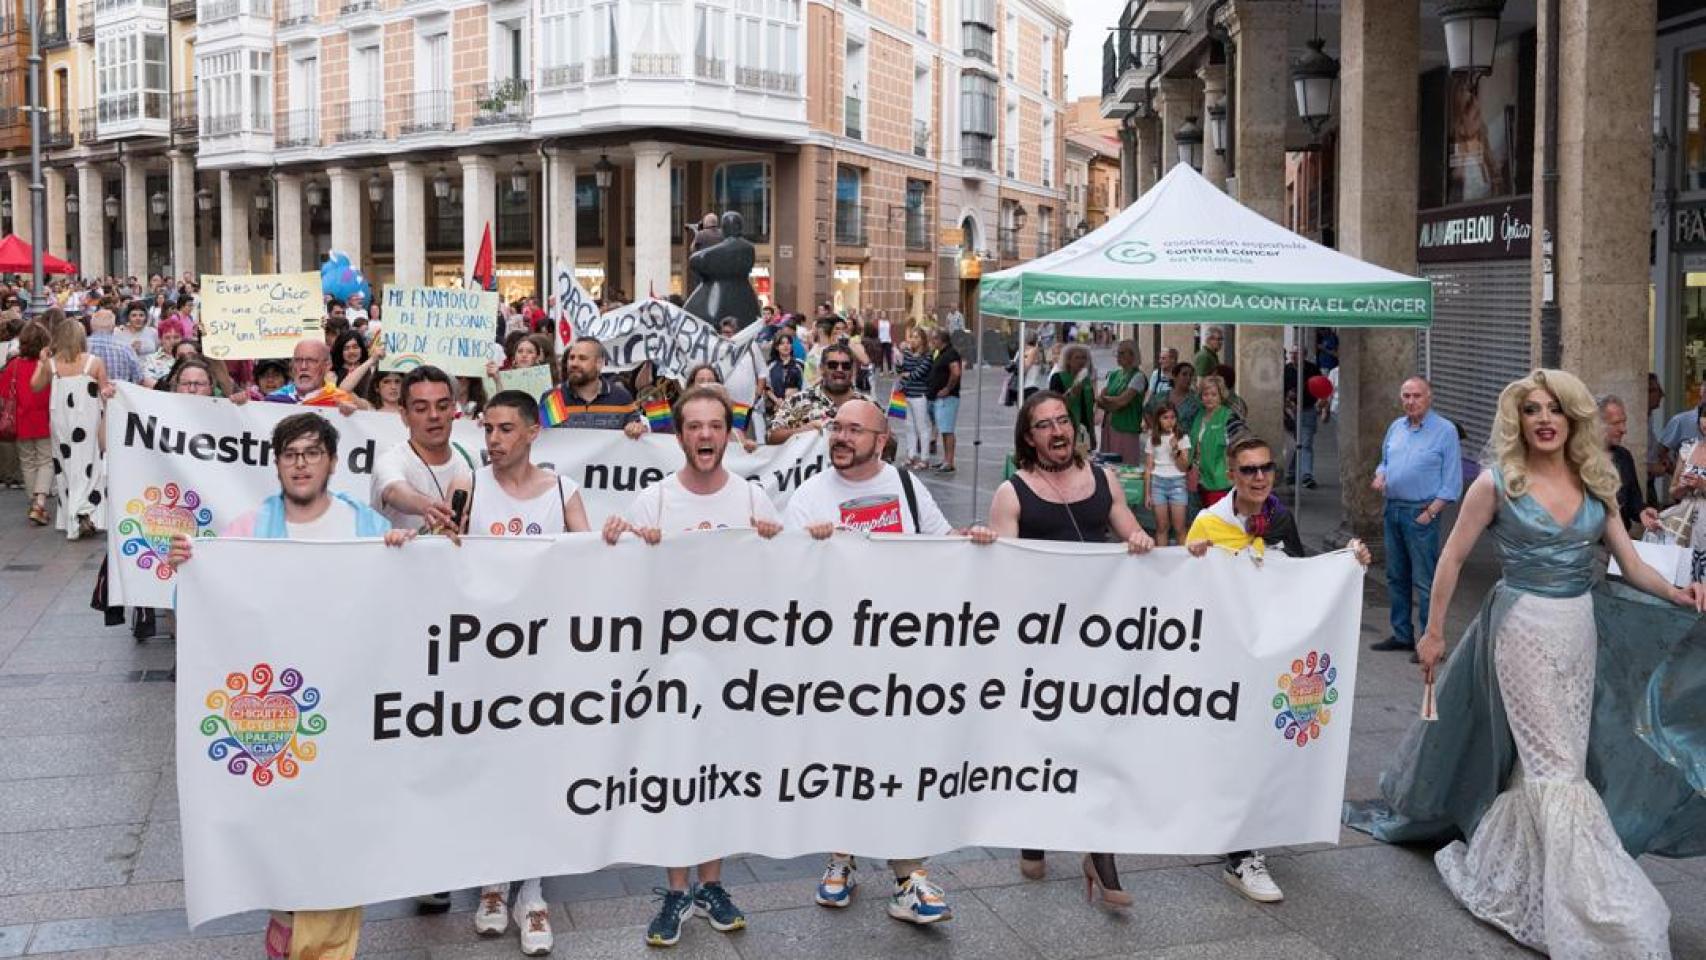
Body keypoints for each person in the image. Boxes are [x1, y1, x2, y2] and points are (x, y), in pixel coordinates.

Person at [1416, 370, 1700, 959]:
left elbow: (1630, 562)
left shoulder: (1597, 482)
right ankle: (1596, 908)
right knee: (1557, 771)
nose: (1544, 419)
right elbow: (1451, 557)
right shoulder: (1496, 484)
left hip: (1579, 630)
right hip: (1521, 630)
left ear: (1573, 419)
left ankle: (1512, 874)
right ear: (1517, 421)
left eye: (1556, 410)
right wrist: (1434, 631)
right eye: (1532, 410)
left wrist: (1678, 594)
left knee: (1553, 762)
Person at [167, 412, 412, 960]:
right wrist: (189, 568)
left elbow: (406, 608)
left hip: (349, 723)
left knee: (336, 858)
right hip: (283, 725)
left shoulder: (366, 526)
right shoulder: (247, 530)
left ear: (331, 462)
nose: (300, 464)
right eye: (290, 454)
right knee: (288, 858)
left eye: (311, 452)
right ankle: (291, 934)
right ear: (276, 464)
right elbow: (202, 616)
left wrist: (404, 556)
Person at [601, 385, 778, 947]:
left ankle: (711, 885)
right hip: (671, 670)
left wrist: (781, 543)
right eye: (694, 426)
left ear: (728, 434)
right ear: (679, 436)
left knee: (718, 776)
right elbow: (620, 574)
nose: (705, 435)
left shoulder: (753, 498)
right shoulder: (655, 499)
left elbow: (790, 577)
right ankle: (677, 890)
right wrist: (620, 538)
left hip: (732, 668)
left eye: (715, 426)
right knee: (676, 775)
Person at [785, 397, 959, 924]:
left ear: (880, 440)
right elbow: (783, 581)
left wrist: (977, 547)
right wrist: (806, 552)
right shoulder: (809, 496)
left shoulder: (907, 486)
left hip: (902, 656)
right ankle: (840, 858)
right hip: (837, 661)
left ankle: (910, 878)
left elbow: (944, 546)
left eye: (853, 430)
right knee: (844, 762)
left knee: (899, 766)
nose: (840, 436)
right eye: (836, 427)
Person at [1184, 435, 1372, 905]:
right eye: (1248, 470)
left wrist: (1348, 565)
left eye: (1267, 468)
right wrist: (1193, 563)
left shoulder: (1281, 518)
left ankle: (1244, 836)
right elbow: (1186, 597)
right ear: (1231, 475)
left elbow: (1301, 576)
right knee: (1233, 746)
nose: (1260, 477)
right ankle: (1242, 854)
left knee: (1262, 745)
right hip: (1226, 657)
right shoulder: (1208, 525)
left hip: (1272, 655)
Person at [986, 390, 1154, 904]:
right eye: (1044, 425)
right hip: (1040, 645)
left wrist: (1144, 543)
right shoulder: (1012, 494)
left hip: (1100, 638)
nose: (1057, 432)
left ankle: (1099, 854)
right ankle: (1034, 832)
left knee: (1098, 742)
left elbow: (1131, 532)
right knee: (1041, 742)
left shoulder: (1103, 479)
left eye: (1063, 421)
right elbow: (1003, 575)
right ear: (1028, 437)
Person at [448, 390, 586, 956]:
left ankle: (531, 890)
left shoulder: (563, 491)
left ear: (533, 432)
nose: (495, 440)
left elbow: (591, 561)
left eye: (506, 429)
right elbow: (442, 554)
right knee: (489, 766)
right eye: (488, 430)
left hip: (544, 656)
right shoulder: (470, 488)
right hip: (484, 655)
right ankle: (491, 884)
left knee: (537, 770)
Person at [1370, 377, 1463, 659]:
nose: (1411, 401)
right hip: (1393, 508)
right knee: (1396, 575)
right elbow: (1385, 460)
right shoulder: (1396, 427)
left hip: (1421, 511)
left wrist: (1431, 512)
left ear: (1429, 397)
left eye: (1416, 396)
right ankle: (1401, 634)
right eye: (1406, 396)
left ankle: (1429, 639)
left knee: (1425, 579)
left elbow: (1452, 481)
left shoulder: (1445, 431)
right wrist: (1380, 474)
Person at [372, 365, 479, 533]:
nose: (434, 415)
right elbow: (394, 490)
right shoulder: (390, 460)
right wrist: (427, 506)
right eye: (421, 409)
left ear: (453, 410)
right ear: (404, 415)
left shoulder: (470, 457)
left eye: (442, 406)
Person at [33, 317, 109, 540]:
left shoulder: (52, 364)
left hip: (61, 422)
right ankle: (85, 512)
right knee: (90, 464)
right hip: (88, 420)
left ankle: (73, 515)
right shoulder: (94, 362)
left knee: (65, 466)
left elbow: (35, 386)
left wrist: (41, 361)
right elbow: (105, 392)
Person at [0, 322, 53, 525]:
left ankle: (34, 503)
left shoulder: (14, 365)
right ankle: (39, 502)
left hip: (21, 420)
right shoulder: (49, 365)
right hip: (45, 419)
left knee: (28, 462)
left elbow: (4, 393)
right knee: (46, 460)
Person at [767, 343, 870, 444]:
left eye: (845, 366)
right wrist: (802, 431)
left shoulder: (867, 405)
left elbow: (883, 440)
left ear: (852, 370)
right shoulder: (798, 401)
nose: (839, 369)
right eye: (832, 365)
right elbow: (771, 436)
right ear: (822, 368)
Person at [539, 337, 645, 435]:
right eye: (571, 358)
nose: (574, 363)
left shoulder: (621, 398)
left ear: (599, 363)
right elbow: (543, 439)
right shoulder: (553, 398)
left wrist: (637, 429)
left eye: (582, 358)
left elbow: (638, 433)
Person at [1598, 393, 1658, 534]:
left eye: (1624, 422)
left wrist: (1642, 512)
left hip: (1620, 543)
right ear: (1596, 423)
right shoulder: (1578, 459)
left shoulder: (1623, 456)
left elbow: (1633, 501)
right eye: (1616, 423)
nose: (1624, 429)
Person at [1189, 374, 1242, 508]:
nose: (1209, 398)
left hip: (1221, 481)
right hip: (1200, 479)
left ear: (1221, 396)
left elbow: (1240, 444)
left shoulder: (1228, 417)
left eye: (1214, 394)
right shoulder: (1199, 415)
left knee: (1218, 520)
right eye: (1206, 394)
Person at [267, 339, 368, 410]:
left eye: (311, 361)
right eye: (298, 360)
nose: (303, 366)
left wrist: (350, 418)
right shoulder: (274, 400)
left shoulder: (339, 400)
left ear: (327, 365)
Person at [1144, 402, 1192, 547]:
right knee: (1162, 527)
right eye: (1165, 417)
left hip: (1177, 483)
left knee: (1179, 527)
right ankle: (1162, 561)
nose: (1169, 421)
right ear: (1158, 419)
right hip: (1158, 484)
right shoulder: (1153, 438)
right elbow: (1148, 467)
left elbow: (1184, 468)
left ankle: (1183, 561)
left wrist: (1176, 449)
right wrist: (1147, 494)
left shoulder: (1182, 437)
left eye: (1172, 417)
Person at [1095, 340, 1145, 465]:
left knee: (1125, 462)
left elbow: (1121, 402)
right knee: (1108, 463)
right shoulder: (1113, 374)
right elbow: (1100, 400)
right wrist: (1112, 402)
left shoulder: (1138, 376)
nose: (1118, 356)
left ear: (1133, 355)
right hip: (1109, 425)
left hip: (1127, 426)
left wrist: (1109, 401)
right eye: (1117, 353)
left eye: (1122, 353)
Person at [1282, 345, 1324, 488]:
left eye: (1297, 353)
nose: (1293, 356)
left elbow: (1321, 388)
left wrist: (1322, 404)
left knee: (1305, 443)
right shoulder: (1286, 370)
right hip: (1289, 412)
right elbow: (1279, 391)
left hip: (1307, 409)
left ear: (1304, 355)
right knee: (1293, 443)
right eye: (1292, 353)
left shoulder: (1312, 369)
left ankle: (1307, 474)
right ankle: (1291, 472)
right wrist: (1287, 400)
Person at [895, 326, 934, 469]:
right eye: (912, 336)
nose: (913, 340)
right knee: (909, 426)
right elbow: (900, 370)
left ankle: (924, 458)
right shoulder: (907, 352)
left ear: (923, 340)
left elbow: (920, 372)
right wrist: (898, 361)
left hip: (920, 395)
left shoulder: (927, 355)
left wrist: (907, 374)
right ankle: (911, 454)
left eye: (917, 337)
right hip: (907, 393)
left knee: (922, 427)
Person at [1047, 343, 1096, 450]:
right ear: (1068, 360)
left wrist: (1092, 434)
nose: (1081, 361)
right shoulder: (1058, 378)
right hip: (1065, 428)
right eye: (1077, 357)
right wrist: (1071, 394)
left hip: (1084, 431)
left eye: (1084, 358)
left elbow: (1089, 409)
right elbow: (1054, 405)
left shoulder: (1086, 380)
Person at [926, 328, 961, 472]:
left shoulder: (951, 353)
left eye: (934, 339)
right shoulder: (941, 353)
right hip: (939, 397)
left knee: (948, 430)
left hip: (948, 398)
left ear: (941, 340)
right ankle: (946, 459)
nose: (932, 342)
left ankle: (950, 461)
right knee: (944, 429)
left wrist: (947, 388)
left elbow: (956, 372)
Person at [87, 308, 143, 386]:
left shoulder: (81, 346)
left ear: (91, 325)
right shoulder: (126, 348)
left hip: (87, 396)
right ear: (113, 326)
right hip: (118, 395)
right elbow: (138, 378)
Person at [763, 330, 803, 417]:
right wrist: (777, 401)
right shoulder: (770, 366)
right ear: (777, 347)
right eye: (782, 343)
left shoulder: (799, 364)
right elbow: (767, 388)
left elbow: (804, 386)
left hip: (796, 407)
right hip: (776, 407)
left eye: (788, 343)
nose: (786, 346)